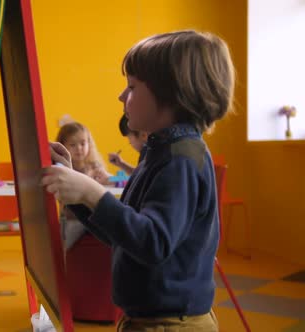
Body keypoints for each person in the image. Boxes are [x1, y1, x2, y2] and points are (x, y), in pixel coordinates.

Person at [42, 30, 235, 331]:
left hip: (170, 326)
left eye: (131, 87)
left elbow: (153, 242)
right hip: (149, 320)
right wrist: (78, 192)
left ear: (171, 94)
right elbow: (122, 233)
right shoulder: (159, 151)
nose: (122, 96)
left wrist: (93, 193)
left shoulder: (181, 159)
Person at [55, 122, 113, 250]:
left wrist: (106, 180)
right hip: (73, 219)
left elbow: (110, 181)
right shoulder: (63, 168)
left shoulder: (94, 166)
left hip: (96, 218)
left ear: (89, 144)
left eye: (83, 143)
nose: (79, 148)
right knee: (61, 249)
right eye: (72, 145)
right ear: (63, 147)